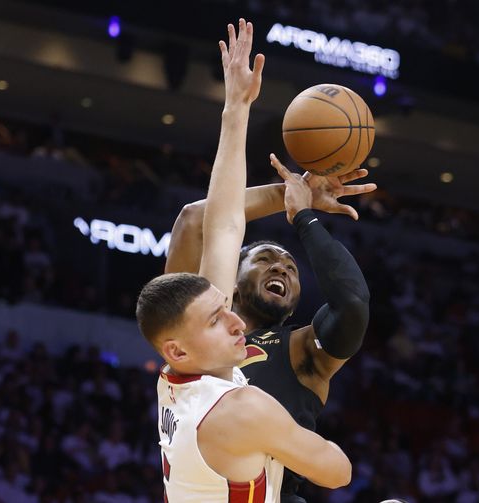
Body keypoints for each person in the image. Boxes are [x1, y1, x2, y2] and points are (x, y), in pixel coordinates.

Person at [136, 19, 351, 503]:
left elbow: (223, 223)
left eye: (223, 308)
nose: (235, 320)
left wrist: (237, 107)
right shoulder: (243, 409)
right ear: (177, 350)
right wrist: (282, 437)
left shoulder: (180, 375)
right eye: (217, 320)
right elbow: (338, 472)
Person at [165, 142, 373, 502]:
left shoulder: (301, 349)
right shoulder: (193, 335)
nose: (280, 268)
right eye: (264, 259)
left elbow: (352, 303)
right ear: (232, 282)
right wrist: (290, 193)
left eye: (291, 269)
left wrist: (304, 216)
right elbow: (193, 219)